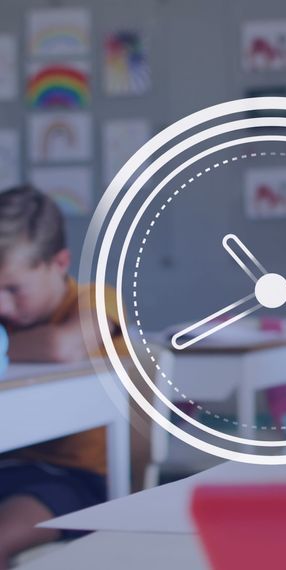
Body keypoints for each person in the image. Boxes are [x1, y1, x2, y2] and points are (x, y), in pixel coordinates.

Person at [0, 186, 124, 569]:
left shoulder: (96, 299)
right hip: (10, 466)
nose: (2, 304)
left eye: (14, 289)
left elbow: (61, 346)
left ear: (59, 262)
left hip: (78, 479)